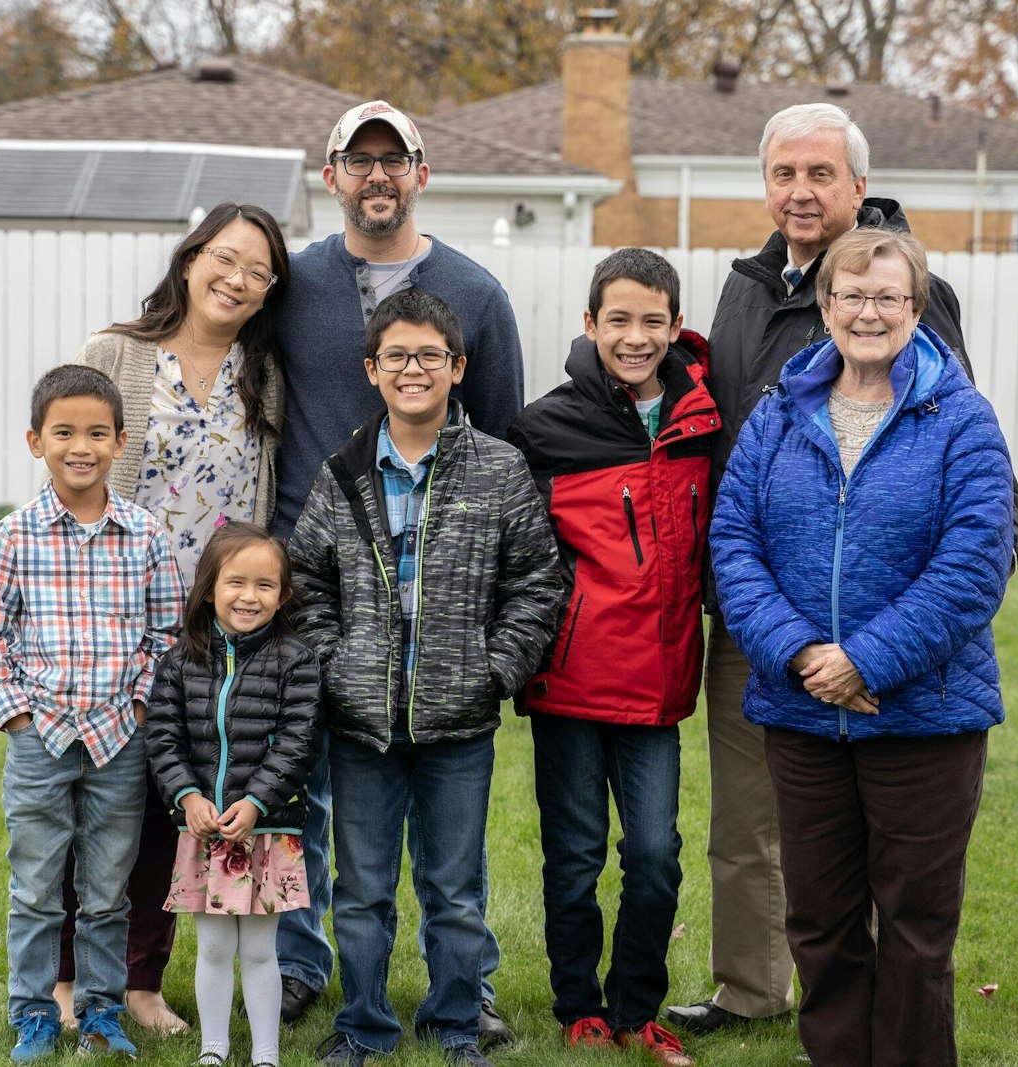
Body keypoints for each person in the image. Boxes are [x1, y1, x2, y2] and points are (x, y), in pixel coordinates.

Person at [665, 101, 1018, 1035]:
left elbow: (976, 509)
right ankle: (752, 990)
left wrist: (876, 650)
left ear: (860, 190)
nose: (800, 190)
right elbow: (733, 484)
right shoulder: (749, 287)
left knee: (899, 897)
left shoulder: (910, 303)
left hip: (902, 656)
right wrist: (784, 636)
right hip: (770, 634)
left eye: (821, 174)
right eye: (784, 173)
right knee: (756, 837)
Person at [270, 100, 524, 1045]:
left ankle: (467, 991)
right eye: (357, 160)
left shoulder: (477, 292)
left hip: (443, 592)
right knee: (305, 783)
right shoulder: (291, 286)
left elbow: (502, 440)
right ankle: (304, 963)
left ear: (422, 171)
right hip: (315, 567)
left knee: (449, 850)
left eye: (394, 160)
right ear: (331, 175)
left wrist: (493, 649)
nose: (377, 176)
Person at [287, 290, 560, 1067]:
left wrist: (495, 668)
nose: (414, 369)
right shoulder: (342, 472)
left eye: (429, 356)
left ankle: (455, 1023)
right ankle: (363, 1023)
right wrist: (336, 666)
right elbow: (304, 579)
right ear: (372, 370)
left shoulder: (499, 470)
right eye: (397, 356)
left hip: (459, 724)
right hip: (362, 723)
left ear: (457, 367)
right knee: (363, 889)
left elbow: (538, 582)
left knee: (455, 888)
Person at [53, 202, 291, 1035]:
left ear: (269, 293)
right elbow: (71, 476)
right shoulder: (114, 354)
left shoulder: (264, 376)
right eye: (225, 259)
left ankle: (142, 984)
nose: (237, 279)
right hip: (114, 616)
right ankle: (68, 981)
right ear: (190, 260)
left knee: (169, 806)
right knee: (100, 807)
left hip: (208, 633)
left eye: (258, 272)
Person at [506, 249, 720, 1067]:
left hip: (658, 684)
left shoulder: (704, 419)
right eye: (618, 321)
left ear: (674, 325)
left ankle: (638, 1005)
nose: (636, 337)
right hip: (568, 680)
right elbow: (517, 558)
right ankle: (579, 1005)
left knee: (657, 857)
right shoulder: (546, 428)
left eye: (652, 322)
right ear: (590, 324)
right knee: (575, 856)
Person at [0, 364, 183, 1062]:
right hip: (42, 740)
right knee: (35, 887)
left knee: (107, 891)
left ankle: (100, 1013)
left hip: (120, 738)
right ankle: (33, 1013)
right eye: (64, 432)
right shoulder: (15, 535)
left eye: (96, 432)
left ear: (120, 442)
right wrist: (16, 716)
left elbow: (166, 633)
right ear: (37, 441)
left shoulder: (145, 534)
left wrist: (145, 705)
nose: (80, 445)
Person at [144, 520, 323, 1067]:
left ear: (283, 594)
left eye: (265, 585)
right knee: (216, 948)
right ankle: (213, 1049)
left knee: (261, 949)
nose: (249, 596)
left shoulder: (297, 659)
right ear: (210, 588)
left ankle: (266, 1055)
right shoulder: (180, 661)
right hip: (204, 831)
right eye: (236, 583)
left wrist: (257, 802)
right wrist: (187, 798)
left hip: (267, 832)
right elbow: (163, 735)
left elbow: (299, 740)